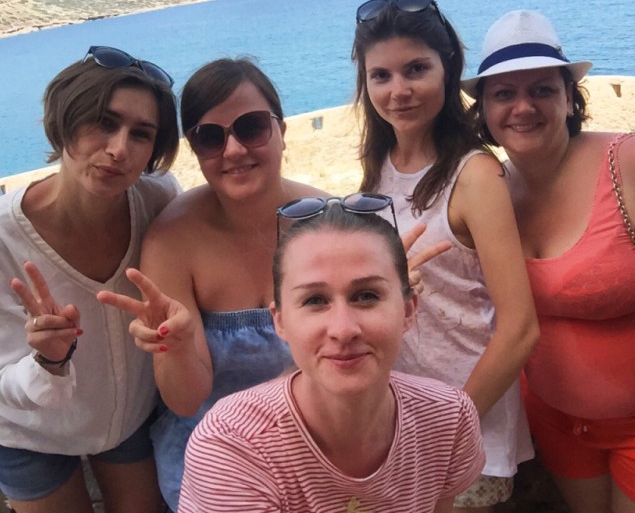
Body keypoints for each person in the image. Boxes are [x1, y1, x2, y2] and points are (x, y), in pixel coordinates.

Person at [462, 9, 635, 513]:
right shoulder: (490, 190)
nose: (523, 107)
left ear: (569, 98)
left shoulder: (633, 163)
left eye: (542, 89)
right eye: (504, 93)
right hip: (556, 420)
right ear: (485, 110)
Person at [0, 46, 181, 512]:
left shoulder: (158, 201)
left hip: (125, 419)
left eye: (141, 134)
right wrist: (49, 360)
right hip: (28, 433)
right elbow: (2, 379)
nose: (119, 149)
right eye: (103, 122)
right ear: (64, 121)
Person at [97, 57, 326, 511]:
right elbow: (185, 401)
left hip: (318, 451)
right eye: (210, 136)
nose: (234, 150)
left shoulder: (327, 220)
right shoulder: (173, 239)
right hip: (215, 466)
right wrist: (178, 347)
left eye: (252, 127)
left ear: (282, 130)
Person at [350, 0, 539, 512]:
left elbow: (520, 329)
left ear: (448, 69)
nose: (399, 91)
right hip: (401, 426)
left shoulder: (474, 175)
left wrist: (448, 431)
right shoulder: (380, 167)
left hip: (463, 433)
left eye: (416, 69)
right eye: (381, 75)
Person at [177, 200, 485, 511]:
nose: (343, 329)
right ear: (280, 322)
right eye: (315, 300)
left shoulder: (448, 420)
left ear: (408, 310)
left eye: (366, 296)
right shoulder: (232, 445)